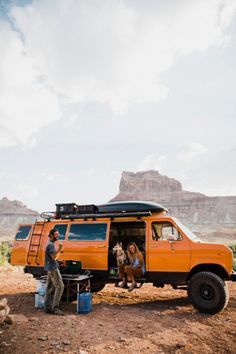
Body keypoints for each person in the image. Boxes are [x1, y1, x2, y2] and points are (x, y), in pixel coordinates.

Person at [44, 228, 64, 315]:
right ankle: (55, 309)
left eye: (58, 234)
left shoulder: (50, 243)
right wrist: (60, 248)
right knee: (60, 287)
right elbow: (53, 257)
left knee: (50, 288)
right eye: (56, 234)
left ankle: (47, 307)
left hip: (49, 268)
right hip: (53, 269)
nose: (57, 236)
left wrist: (59, 261)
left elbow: (53, 257)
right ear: (51, 235)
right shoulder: (50, 245)